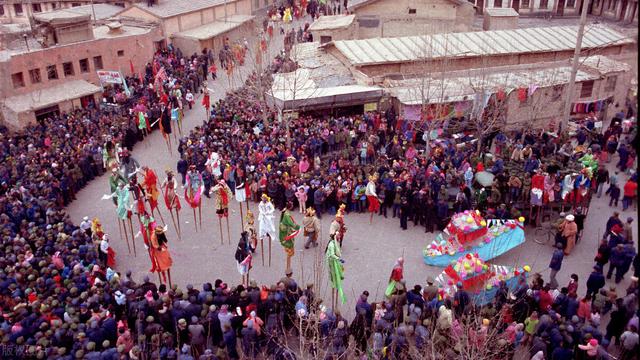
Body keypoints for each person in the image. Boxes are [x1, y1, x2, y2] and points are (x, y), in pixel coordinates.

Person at [278, 203, 300, 272]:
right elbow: (291, 223)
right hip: (285, 230)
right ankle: (288, 266)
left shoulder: (285, 211)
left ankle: (288, 264)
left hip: (285, 227)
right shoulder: (287, 214)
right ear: (290, 207)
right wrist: (297, 227)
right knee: (289, 243)